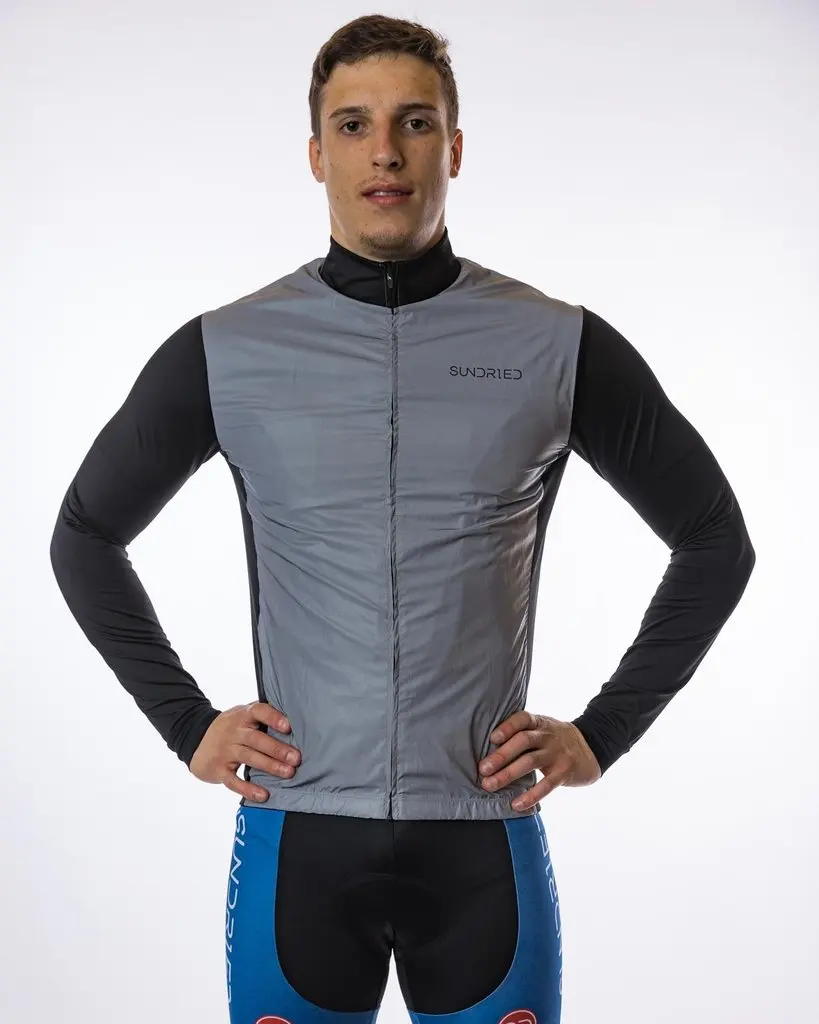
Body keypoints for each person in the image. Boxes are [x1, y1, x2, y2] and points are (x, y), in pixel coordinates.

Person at [49, 13, 756, 1024]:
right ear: (316, 154)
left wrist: (602, 733)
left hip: (483, 839)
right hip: (300, 837)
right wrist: (185, 724)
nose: (384, 150)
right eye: (353, 124)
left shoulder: (554, 344)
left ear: (453, 148)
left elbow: (715, 540)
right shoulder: (228, 349)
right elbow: (84, 534)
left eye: (414, 122)